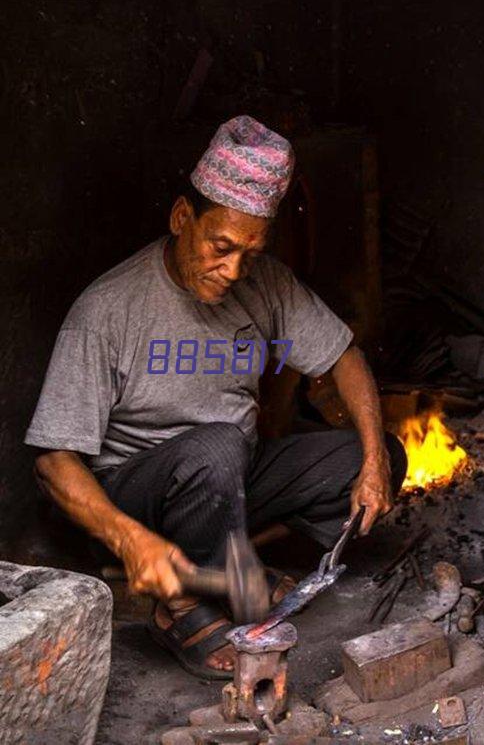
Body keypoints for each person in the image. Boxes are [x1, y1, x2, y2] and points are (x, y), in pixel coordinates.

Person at [25, 115, 407, 679]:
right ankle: (182, 607)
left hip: (231, 476)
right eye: (221, 246)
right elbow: (52, 462)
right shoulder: (107, 310)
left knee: (379, 457)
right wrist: (130, 540)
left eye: (250, 254)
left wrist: (373, 461)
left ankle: (233, 561)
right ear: (183, 218)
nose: (233, 270)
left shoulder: (264, 282)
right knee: (218, 447)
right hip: (138, 493)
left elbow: (343, 357)